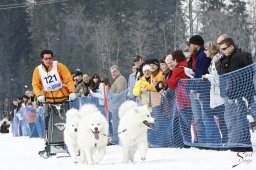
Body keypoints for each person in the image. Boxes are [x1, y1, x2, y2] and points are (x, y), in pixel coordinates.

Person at [32, 49, 76, 155]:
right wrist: (38, 95)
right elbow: (35, 84)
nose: (48, 60)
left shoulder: (59, 66)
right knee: (48, 122)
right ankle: (49, 144)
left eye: (50, 58)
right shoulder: (38, 70)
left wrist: (72, 91)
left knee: (67, 122)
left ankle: (69, 144)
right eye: (46, 58)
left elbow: (68, 79)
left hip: (63, 99)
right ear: (42, 59)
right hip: (48, 101)